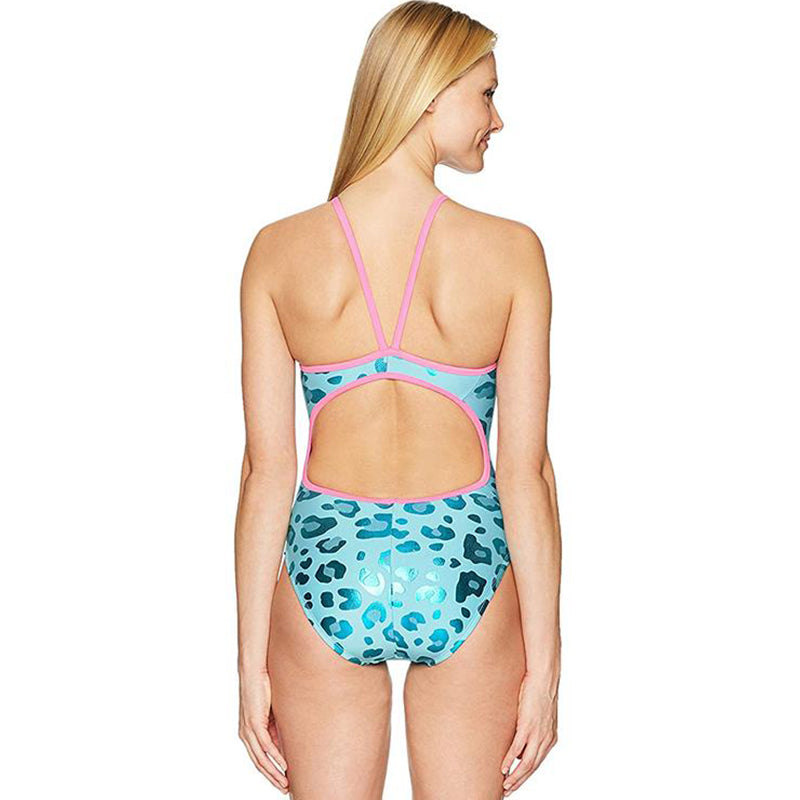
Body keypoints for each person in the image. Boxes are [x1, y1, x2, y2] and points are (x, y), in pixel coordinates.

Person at [234, 2, 562, 797]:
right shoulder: (512, 253)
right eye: (486, 94)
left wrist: (248, 662)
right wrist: (547, 666)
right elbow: (527, 475)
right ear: (428, 92)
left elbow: (265, 472)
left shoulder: (278, 252)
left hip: (325, 564)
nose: (498, 119)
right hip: (467, 564)